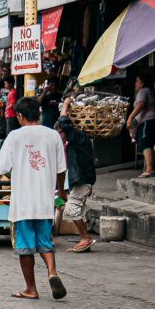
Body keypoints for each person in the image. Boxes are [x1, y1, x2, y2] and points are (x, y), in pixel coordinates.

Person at [0, 97, 68, 301]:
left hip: (23, 203)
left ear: (19, 115)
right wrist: (61, 192)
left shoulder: (15, 136)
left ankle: (31, 288)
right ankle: (52, 272)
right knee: (45, 241)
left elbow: (1, 168)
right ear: (39, 114)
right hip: (45, 200)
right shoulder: (53, 135)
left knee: (25, 246)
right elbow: (61, 169)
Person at [56, 100, 96, 252]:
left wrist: (65, 105)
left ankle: (85, 238)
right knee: (76, 209)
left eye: (60, 132)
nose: (59, 136)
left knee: (71, 210)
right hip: (79, 180)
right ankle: (84, 239)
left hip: (82, 180)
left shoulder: (80, 137)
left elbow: (64, 122)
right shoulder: (74, 142)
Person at [127, 74, 155, 177]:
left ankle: (150, 169)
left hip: (147, 121)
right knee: (147, 144)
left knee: (145, 144)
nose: (135, 83)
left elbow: (140, 105)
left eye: (137, 81)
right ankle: (148, 169)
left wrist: (130, 117)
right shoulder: (151, 91)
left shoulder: (143, 91)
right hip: (154, 121)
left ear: (142, 82)